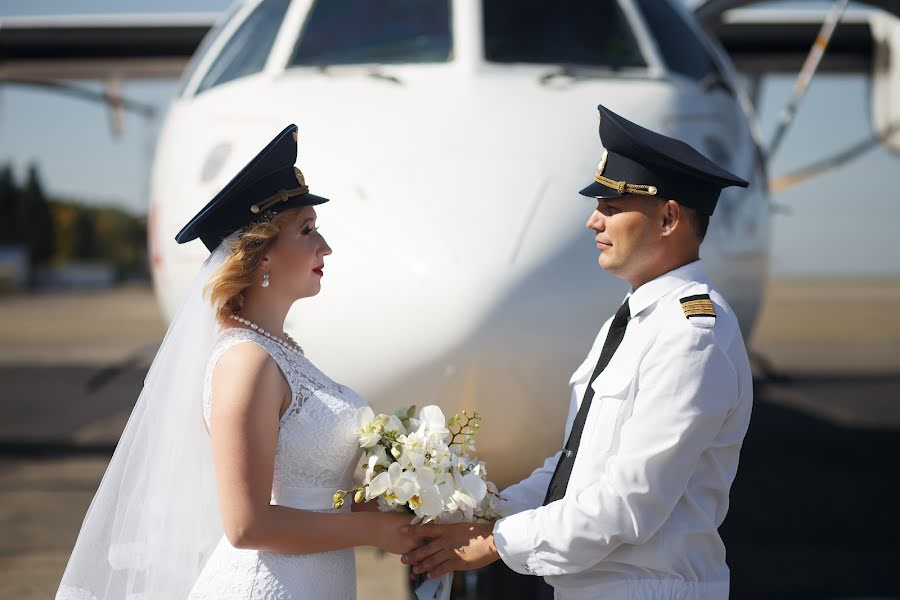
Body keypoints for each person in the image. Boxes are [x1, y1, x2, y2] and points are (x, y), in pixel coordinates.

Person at [400, 104, 754, 599]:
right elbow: (574, 467)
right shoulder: (635, 320)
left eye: (610, 208)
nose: (592, 221)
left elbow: (629, 503)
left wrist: (495, 543)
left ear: (669, 217)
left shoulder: (691, 334)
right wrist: (480, 512)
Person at [56, 125, 421, 600]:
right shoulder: (245, 362)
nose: (324, 246)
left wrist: (400, 501)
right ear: (261, 257)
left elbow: (309, 495)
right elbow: (247, 525)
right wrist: (373, 533)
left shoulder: (280, 350)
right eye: (307, 231)